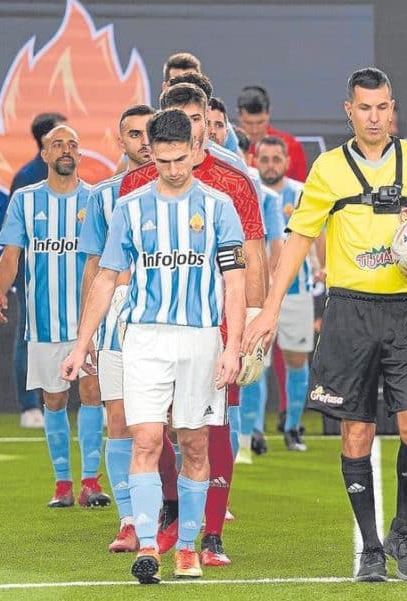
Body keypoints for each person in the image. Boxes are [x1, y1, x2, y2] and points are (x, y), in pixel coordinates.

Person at [243, 67, 407, 582]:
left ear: (392, 109)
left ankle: (403, 530)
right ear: (349, 111)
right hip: (349, 311)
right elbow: (298, 237)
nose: (374, 117)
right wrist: (270, 306)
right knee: (356, 431)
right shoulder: (328, 168)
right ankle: (372, 549)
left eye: (382, 107)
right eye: (364, 108)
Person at [62, 109, 246, 583]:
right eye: (163, 161)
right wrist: (82, 345)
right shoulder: (130, 207)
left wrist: (233, 346)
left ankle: (187, 548)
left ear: (195, 150)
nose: (172, 169)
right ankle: (148, 546)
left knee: (195, 444)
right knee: (144, 438)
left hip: (201, 339)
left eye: (180, 159)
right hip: (144, 337)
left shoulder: (219, 206)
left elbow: (235, 282)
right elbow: (106, 278)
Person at [119, 82, 267, 567]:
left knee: (208, 430)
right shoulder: (134, 187)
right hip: (149, 329)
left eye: (197, 118)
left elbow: (252, 257)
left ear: (206, 122)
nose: (191, 127)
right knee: (151, 429)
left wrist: (253, 323)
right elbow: (117, 265)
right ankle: (167, 516)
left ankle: (211, 535)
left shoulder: (233, 183)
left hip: (216, 327)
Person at [0, 125, 108, 509]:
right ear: (44, 155)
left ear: (80, 154)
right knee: (54, 400)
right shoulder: (25, 200)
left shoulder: (95, 200)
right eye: (57, 144)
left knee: (92, 393)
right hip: (44, 322)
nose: (65, 149)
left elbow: (108, 261)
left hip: (88, 322)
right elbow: (11, 255)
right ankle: (62, 484)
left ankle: (90, 481)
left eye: (72, 144)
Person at [77, 104, 154, 551]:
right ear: (119, 140)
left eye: (149, 132)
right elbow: (93, 268)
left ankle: (168, 513)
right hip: (115, 328)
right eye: (134, 134)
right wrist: (84, 333)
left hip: (168, 325)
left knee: (169, 425)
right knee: (120, 421)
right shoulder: (102, 196)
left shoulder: (186, 192)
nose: (144, 142)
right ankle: (129, 520)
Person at [237, 135, 318, 460]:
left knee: (296, 359)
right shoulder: (250, 190)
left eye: (276, 159)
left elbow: (320, 233)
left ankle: (292, 426)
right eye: (265, 159)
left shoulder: (301, 193)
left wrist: (323, 266)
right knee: (256, 360)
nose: (270, 165)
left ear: (286, 162)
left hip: (297, 292)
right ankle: (253, 432)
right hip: (258, 293)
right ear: (256, 161)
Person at [9, 112, 68, 428]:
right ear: (46, 140)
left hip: (70, 268)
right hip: (35, 272)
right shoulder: (27, 178)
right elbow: (15, 234)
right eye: (60, 136)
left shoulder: (70, 172)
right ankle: (29, 406)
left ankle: (95, 401)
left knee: (86, 331)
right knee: (28, 335)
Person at [237, 85, 308, 181]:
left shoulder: (291, 147)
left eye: (260, 122)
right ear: (239, 116)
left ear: (268, 114)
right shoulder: (227, 147)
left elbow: (300, 187)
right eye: (248, 123)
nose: (255, 130)